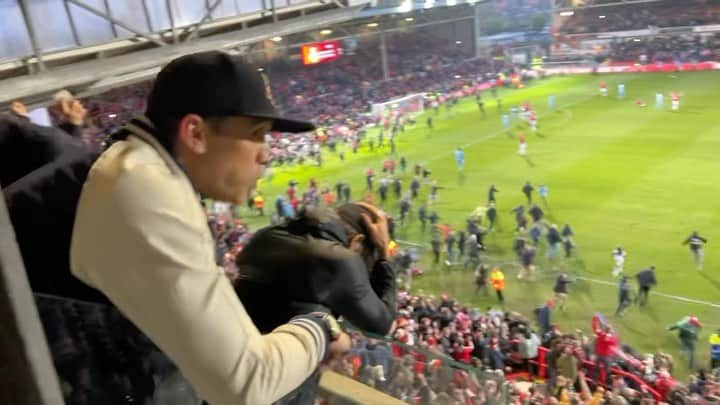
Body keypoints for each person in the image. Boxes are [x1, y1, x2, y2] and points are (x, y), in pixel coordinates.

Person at [69, 51, 350, 405]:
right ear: (196, 133)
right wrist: (320, 328)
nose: (266, 154)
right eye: (257, 135)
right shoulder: (148, 191)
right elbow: (249, 383)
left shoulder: (134, 167)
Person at [235, 203, 396, 402]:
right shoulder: (338, 260)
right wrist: (384, 257)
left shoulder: (264, 237)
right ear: (357, 241)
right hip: (280, 382)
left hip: (235, 367)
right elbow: (382, 322)